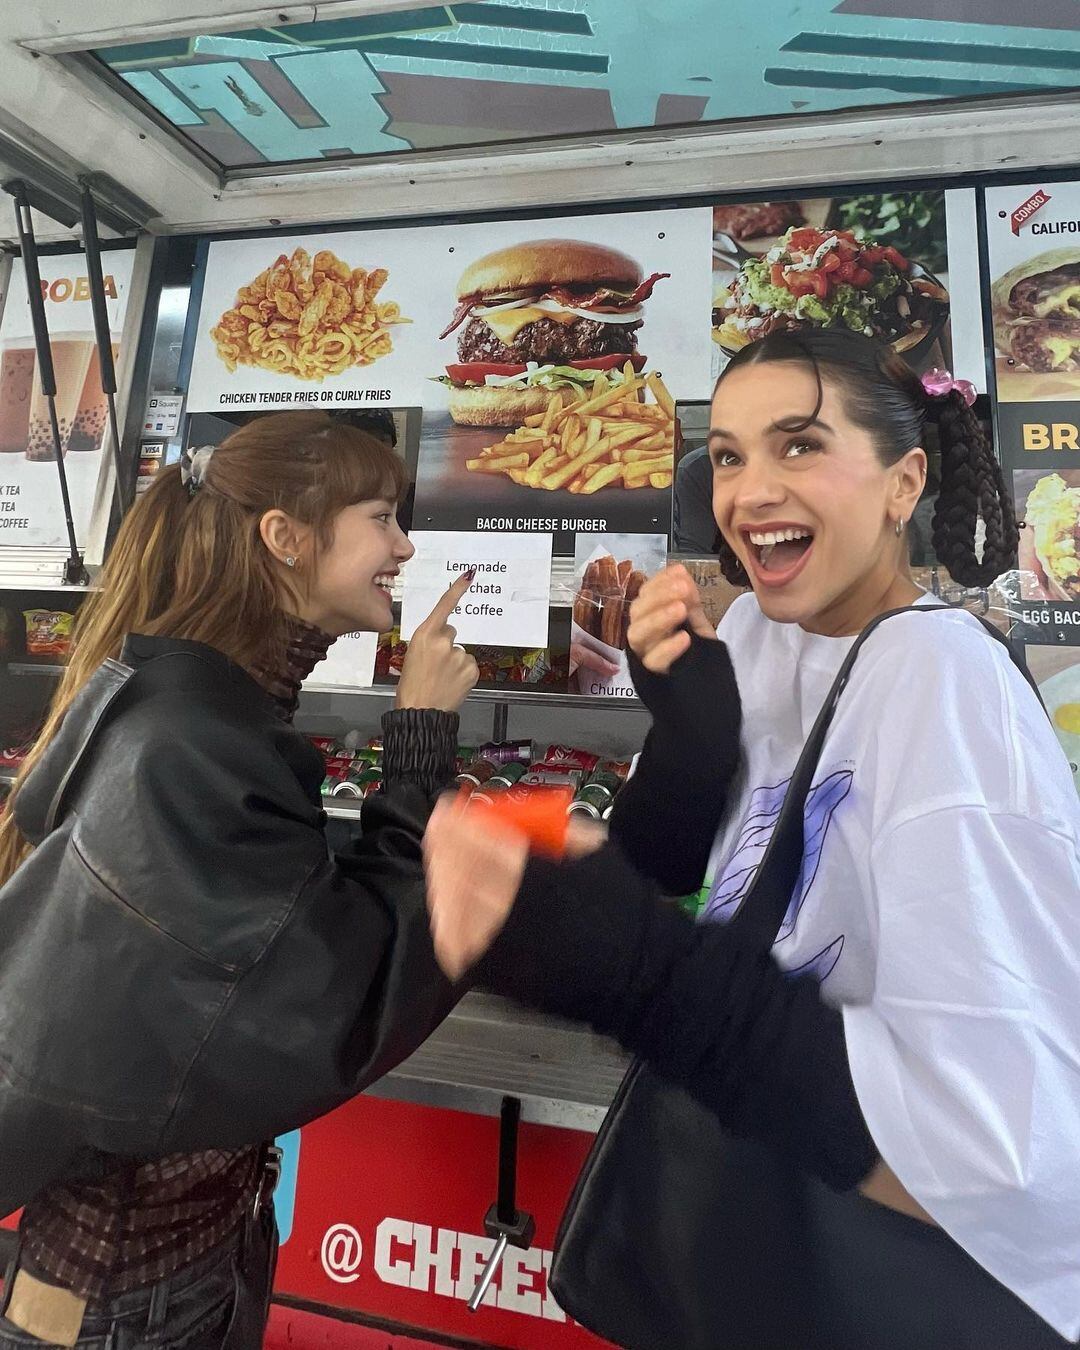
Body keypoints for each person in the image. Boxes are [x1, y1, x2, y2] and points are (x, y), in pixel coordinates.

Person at [424, 330, 1080, 1347]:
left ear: (904, 482)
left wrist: (638, 975)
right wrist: (689, 752)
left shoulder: (948, 686)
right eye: (727, 456)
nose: (749, 492)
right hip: (738, 1251)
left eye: (800, 444)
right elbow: (701, 885)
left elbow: (1001, 1147)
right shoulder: (759, 634)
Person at [0, 411, 478, 1350]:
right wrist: (420, 739)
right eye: (381, 517)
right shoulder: (193, 742)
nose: (404, 546)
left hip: (160, 1284)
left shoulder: (196, 709)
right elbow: (336, 998)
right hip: (128, 1306)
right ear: (285, 538)